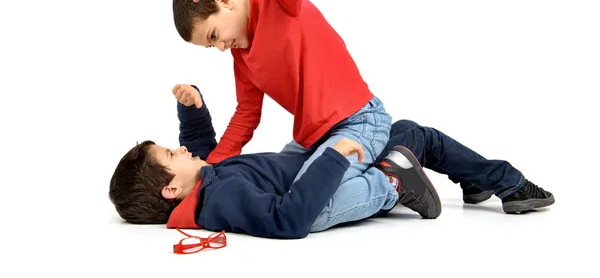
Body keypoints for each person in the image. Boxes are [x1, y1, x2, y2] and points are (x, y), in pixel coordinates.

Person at [171, 0, 423, 225]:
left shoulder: (279, 3)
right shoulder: (242, 57)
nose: (221, 47)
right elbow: (246, 113)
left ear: (224, 1)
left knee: (308, 211)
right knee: (284, 193)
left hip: (358, 121)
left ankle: (391, 183)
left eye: (213, 36)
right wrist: (213, 166)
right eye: (212, 46)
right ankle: (382, 163)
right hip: (313, 137)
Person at [108, 84, 441, 239]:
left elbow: (199, 148)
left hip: (311, 161)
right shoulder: (220, 197)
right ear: (170, 189)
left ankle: (469, 176)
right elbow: (287, 220)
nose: (181, 149)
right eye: (171, 154)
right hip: (326, 176)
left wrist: (191, 107)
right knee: (417, 138)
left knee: (408, 133)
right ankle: (391, 183)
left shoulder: (201, 186)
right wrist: (333, 157)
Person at [382, 120, 555, 214]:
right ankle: (511, 185)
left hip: (365, 167)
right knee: (425, 138)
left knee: (404, 126)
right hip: (368, 178)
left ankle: (472, 179)